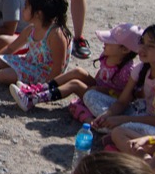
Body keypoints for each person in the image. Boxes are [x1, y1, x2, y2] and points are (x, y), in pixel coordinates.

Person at [10, 22, 141, 115]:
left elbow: (124, 97)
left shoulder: (127, 71)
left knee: (75, 85)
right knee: (78, 71)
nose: (104, 43)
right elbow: (100, 77)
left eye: (110, 42)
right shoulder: (106, 56)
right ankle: (37, 89)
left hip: (108, 100)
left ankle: (33, 99)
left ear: (125, 49)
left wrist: (99, 90)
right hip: (98, 89)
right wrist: (94, 86)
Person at [93, 24, 155, 146]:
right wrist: (107, 114)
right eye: (142, 42)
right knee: (91, 95)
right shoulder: (141, 69)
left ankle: (120, 134)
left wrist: (122, 119)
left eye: (151, 46)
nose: (142, 48)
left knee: (122, 128)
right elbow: (122, 101)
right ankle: (112, 130)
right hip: (141, 112)